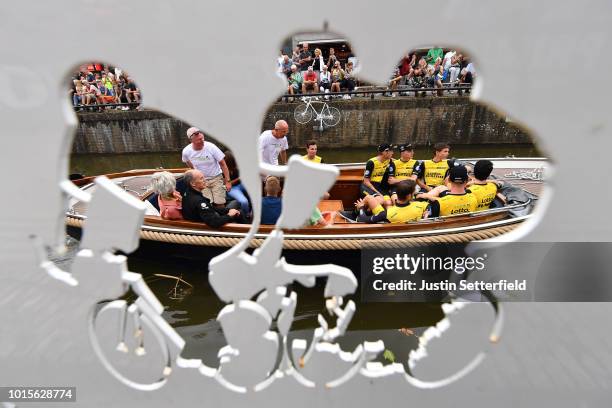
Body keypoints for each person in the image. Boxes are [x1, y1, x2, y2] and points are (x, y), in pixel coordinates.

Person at [182, 127, 232, 207]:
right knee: (208, 203)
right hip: (201, 180)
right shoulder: (186, 151)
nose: (202, 141)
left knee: (220, 203)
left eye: (202, 138)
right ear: (191, 141)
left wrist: (228, 181)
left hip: (216, 178)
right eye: (198, 140)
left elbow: (223, 163)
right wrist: (195, 171)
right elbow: (187, 162)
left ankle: (224, 217)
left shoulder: (211, 147)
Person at [356, 180, 428, 223]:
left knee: (369, 197)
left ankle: (355, 212)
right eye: (413, 193)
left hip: (390, 216)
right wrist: (427, 211)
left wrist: (361, 208)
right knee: (388, 203)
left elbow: (362, 219)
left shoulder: (386, 214)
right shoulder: (420, 206)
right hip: (398, 215)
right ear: (409, 196)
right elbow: (430, 205)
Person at [223, 150, 251, 216]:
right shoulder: (222, 169)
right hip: (232, 188)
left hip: (241, 184)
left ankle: (253, 211)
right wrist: (239, 178)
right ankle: (246, 215)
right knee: (244, 201)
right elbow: (226, 184)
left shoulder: (237, 166)